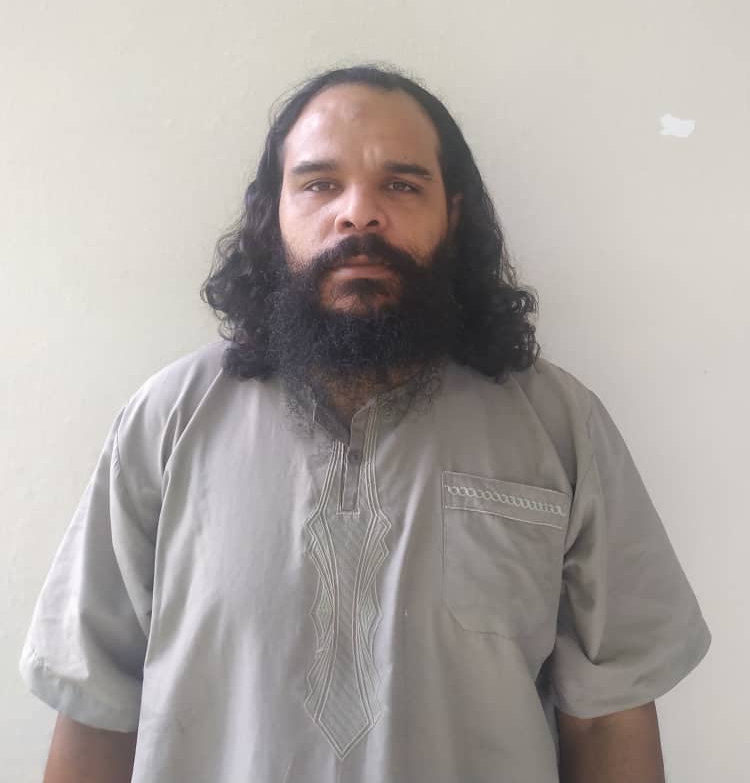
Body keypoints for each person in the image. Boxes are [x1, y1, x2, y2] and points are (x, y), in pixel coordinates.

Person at [20, 65, 711, 783]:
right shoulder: (168, 422)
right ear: (272, 213)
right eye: (320, 184)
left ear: (454, 215)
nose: (359, 214)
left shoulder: (557, 426)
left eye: (402, 185)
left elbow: (606, 720)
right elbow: (98, 709)